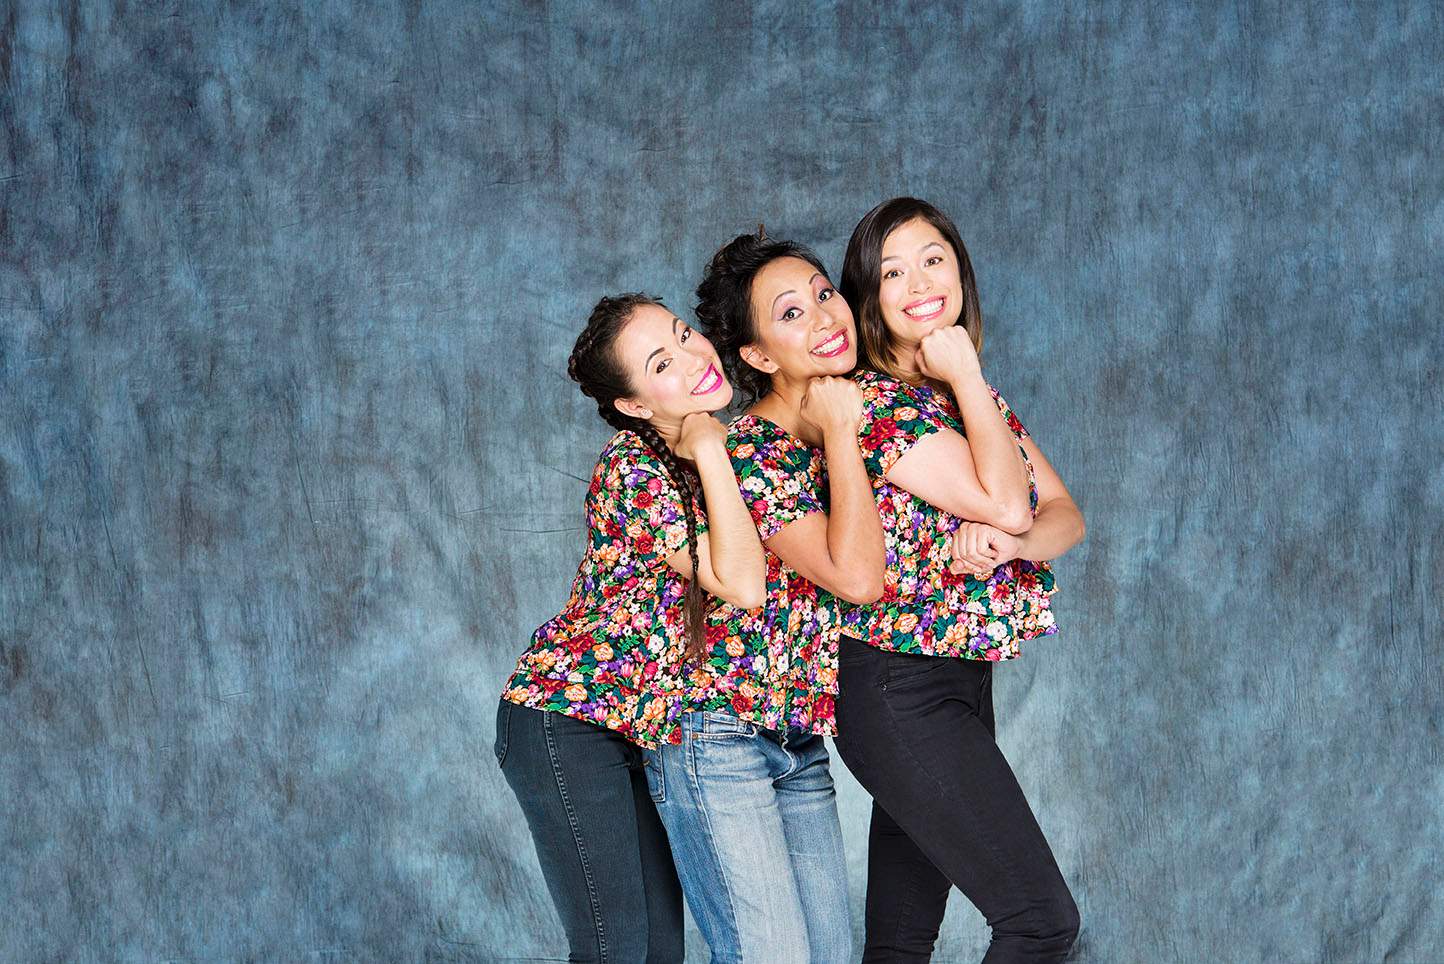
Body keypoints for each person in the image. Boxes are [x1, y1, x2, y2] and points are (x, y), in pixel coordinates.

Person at [831, 196, 1088, 963]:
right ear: (869, 297)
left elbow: (1065, 517)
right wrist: (968, 375)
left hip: (960, 682)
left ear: (960, 271)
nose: (919, 283)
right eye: (892, 272)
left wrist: (1013, 547)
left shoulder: (968, 400)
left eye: (933, 259)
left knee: (901, 942)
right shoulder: (875, 404)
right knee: (1040, 921)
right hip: (896, 688)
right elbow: (1010, 500)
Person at [496, 293, 766, 963]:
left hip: (639, 730)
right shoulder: (632, 467)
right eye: (661, 363)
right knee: (615, 949)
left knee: (658, 952)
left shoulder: (718, 455)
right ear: (635, 404)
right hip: (567, 723)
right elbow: (743, 585)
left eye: (684, 335)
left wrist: (711, 449)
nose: (694, 358)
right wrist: (709, 446)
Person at [647, 230, 887, 964]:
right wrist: (841, 432)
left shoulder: (849, 422)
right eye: (790, 313)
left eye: (824, 293)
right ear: (756, 356)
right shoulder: (751, 448)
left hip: (797, 734)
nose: (824, 315)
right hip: (718, 731)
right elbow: (857, 580)